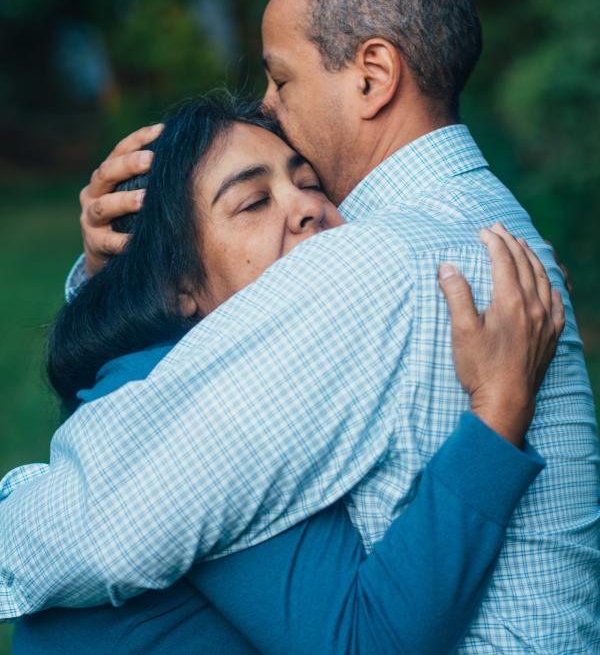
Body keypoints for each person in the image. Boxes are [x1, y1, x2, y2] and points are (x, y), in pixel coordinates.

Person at [1, 0, 598, 653]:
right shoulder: (488, 227)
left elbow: (101, 524)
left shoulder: (371, 262)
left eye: (281, 81)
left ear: (373, 75)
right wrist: (117, 274)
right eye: (252, 201)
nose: (270, 105)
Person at [12, 96, 550, 654]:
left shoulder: (183, 369)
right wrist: (498, 409)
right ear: (178, 287)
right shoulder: (204, 412)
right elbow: (365, 642)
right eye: (252, 203)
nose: (306, 208)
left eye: (310, 182)